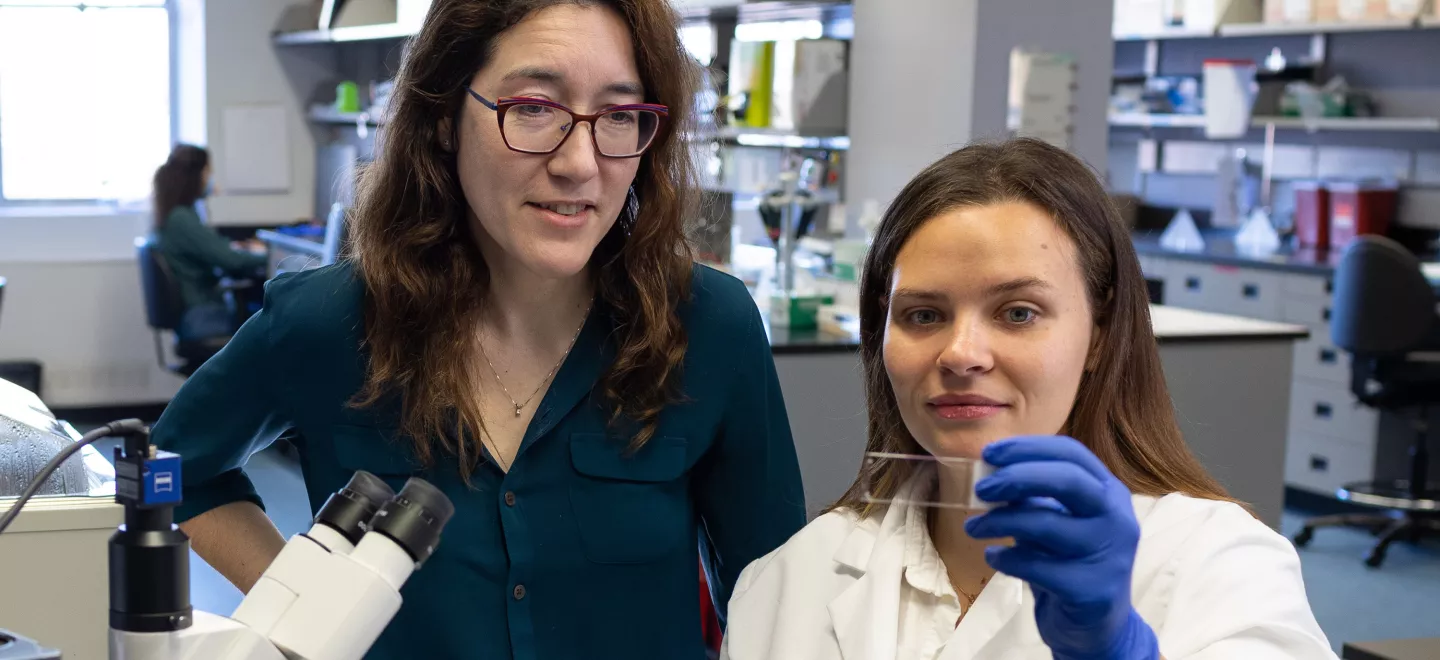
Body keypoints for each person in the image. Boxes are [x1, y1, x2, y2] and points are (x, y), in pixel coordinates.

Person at [149, 1, 805, 658]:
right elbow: (172, 469)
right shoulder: (331, 321)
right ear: (443, 117)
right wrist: (304, 608)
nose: (579, 163)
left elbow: (774, 605)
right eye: (534, 107)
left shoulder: (709, 326)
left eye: (618, 115)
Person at [721, 139, 1337, 660]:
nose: (961, 353)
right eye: (924, 314)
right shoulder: (790, 579)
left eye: (1018, 312)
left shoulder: (1218, 562)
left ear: (1099, 334)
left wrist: (1119, 649)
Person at [152, 144, 267, 340]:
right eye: (208, 172)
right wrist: (274, 256)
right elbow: (231, 259)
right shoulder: (181, 218)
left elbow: (215, 249)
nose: (211, 178)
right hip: (202, 316)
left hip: (196, 313)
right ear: (195, 176)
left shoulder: (177, 214)